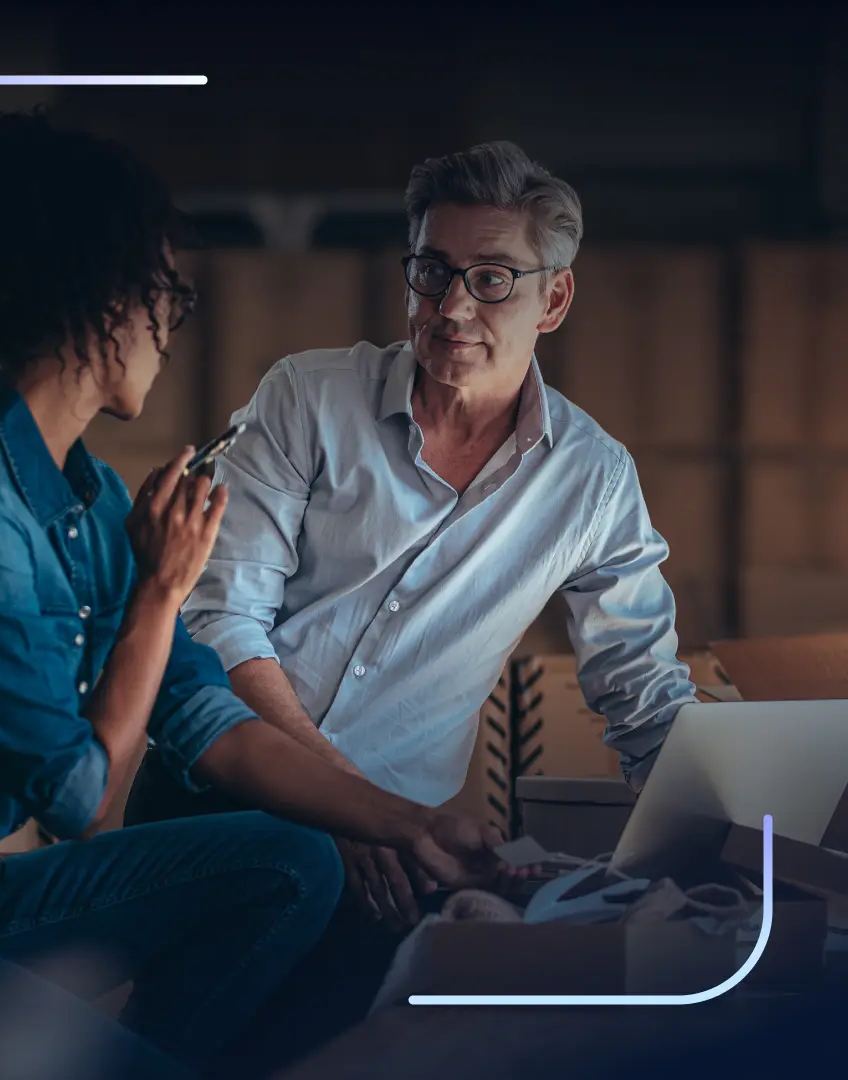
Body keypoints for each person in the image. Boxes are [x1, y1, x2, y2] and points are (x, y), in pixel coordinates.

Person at [0, 110, 517, 1080]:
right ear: (106, 296)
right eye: (167, 293)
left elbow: (209, 719)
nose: (169, 326)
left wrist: (415, 827)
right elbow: (82, 798)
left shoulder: (84, 497)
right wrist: (160, 596)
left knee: (292, 862)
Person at [125, 139, 700, 1069]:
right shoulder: (308, 399)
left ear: (553, 300)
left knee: (331, 1056)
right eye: (432, 272)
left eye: (490, 278)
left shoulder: (591, 482)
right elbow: (217, 621)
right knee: (177, 1055)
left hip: (399, 861)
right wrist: (348, 807)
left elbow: (642, 693)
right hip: (217, 798)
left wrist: (744, 835)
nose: (452, 306)